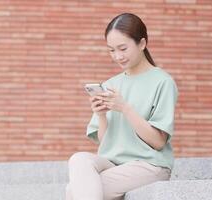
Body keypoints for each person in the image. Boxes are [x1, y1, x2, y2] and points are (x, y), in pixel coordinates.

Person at [65, 13, 178, 200]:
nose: (118, 56)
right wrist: (100, 115)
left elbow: (158, 142)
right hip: (114, 164)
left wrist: (125, 108)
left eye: (123, 48)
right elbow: (105, 143)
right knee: (79, 159)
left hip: (148, 165)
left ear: (142, 44)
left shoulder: (162, 82)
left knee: (73, 191)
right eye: (111, 50)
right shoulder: (110, 84)